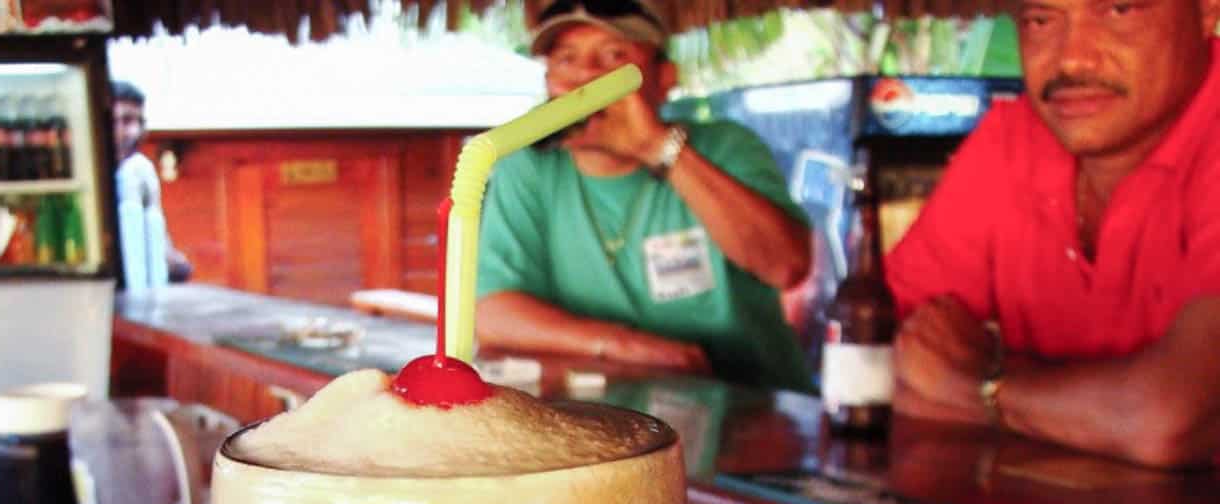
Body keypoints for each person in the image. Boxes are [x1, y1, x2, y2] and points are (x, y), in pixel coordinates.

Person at [886, 0, 1220, 469]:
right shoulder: (1015, 140)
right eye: (1041, 21)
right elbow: (880, 363)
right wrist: (1089, 406)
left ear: (1206, 11)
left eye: (1119, 11)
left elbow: (1170, 418)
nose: (1072, 60)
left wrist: (981, 384)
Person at [475, 0, 815, 392]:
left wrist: (660, 148)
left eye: (613, 56)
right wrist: (632, 347)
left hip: (752, 406)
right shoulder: (530, 166)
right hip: (610, 413)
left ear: (664, 77)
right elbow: (494, 314)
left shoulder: (723, 148)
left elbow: (787, 266)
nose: (584, 78)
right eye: (565, 60)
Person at [111, 79, 192, 286]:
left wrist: (175, 262)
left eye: (139, 122)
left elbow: (158, 240)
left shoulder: (140, 171)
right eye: (125, 121)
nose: (134, 132)